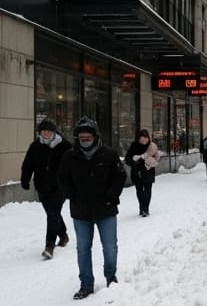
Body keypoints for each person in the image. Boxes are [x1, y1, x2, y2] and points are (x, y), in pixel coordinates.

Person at [57, 117, 126, 300]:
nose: (85, 140)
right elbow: (62, 178)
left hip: (106, 210)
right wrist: (71, 194)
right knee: (83, 249)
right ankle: (86, 284)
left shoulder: (108, 154)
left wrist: (112, 195)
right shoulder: (69, 156)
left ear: (95, 137)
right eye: (82, 137)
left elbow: (120, 175)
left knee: (110, 247)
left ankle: (111, 276)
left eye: (88, 137)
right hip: (81, 211)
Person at [20, 118, 71, 260]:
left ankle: (49, 246)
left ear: (54, 132)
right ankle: (63, 235)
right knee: (52, 213)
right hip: (42, 185)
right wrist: (25, 179)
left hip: (59, 187)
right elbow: (28, 164)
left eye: (49, 131)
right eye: (43, 131)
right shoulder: (35, 146)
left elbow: (72, 166)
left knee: (52, 214)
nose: (46, 134)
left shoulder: (64, 146)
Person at [123, 129, 159, 217]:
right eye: (142, 138)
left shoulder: (151, 146)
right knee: (139, 190)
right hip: (137, 172)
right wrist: (134, 162)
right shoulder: (134, 146)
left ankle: (145, 209)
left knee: (147, 190)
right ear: (138, 138)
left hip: (148, 171)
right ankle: (141, 207)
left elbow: (157, 157)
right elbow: (127, 159)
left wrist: (150, 160)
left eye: (146, 138)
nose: (144, 140)